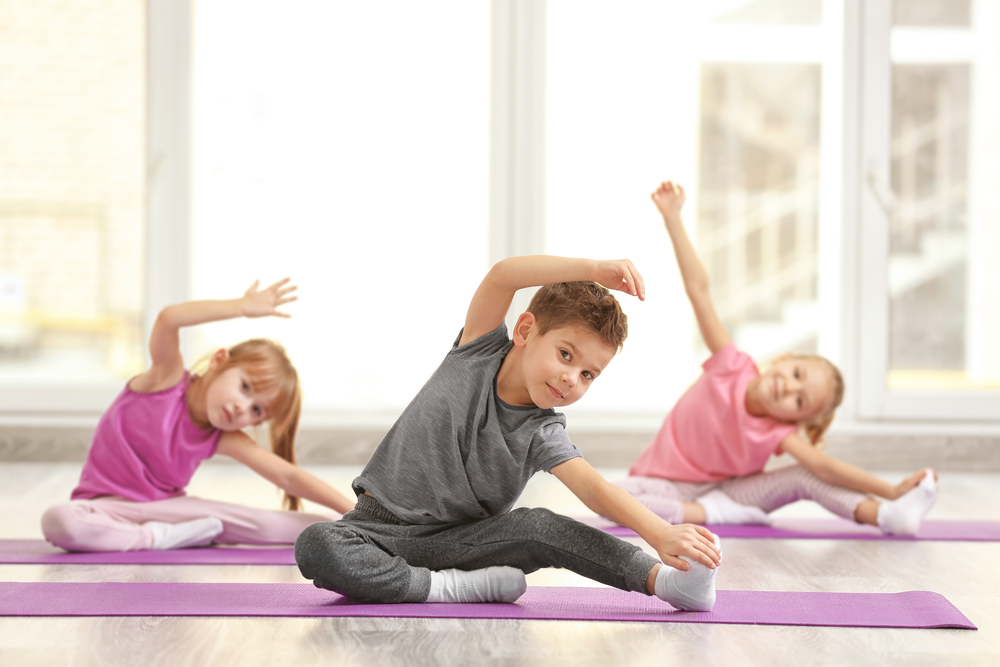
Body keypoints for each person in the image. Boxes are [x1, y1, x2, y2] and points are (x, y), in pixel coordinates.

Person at [294, 256, 722, 611]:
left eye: (588, 373)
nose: (572, 378)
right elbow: (503, 276)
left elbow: (594, 489)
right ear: (524, 331)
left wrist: (661, 534)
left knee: (539, 526)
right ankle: (454, 589)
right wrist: (592, 270)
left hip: (459, 545)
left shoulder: (543, 430)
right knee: (317, 544)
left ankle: (664, 583)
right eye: (566, 354)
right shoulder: (476, 351)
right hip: (375, 530)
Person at [618, 181, 937, 536]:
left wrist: (892, 492)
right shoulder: (731, 365)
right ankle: (709, 513)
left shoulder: (776, 433)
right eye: (797, 373)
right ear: (784, 359)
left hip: (734, 494)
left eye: (799, 400)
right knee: (618, 499)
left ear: (796, 419)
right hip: (664, 484)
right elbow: (699, 290)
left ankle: (887, 516)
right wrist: (673, 219)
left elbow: (825, 468)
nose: (789, 388)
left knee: (805, 475)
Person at [41, 279, 355, 552]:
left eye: (256, 410)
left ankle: (362, 531)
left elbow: (287, 476)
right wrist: (243, 306)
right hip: (103, 509)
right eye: (244, 387)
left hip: (171, 510)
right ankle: (155, 538)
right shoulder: (165, 380)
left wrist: (353, 512)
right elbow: (168, 319)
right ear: (219, 360)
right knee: (60, 520)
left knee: (268, 524)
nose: (241, 408)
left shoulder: (223, 436)